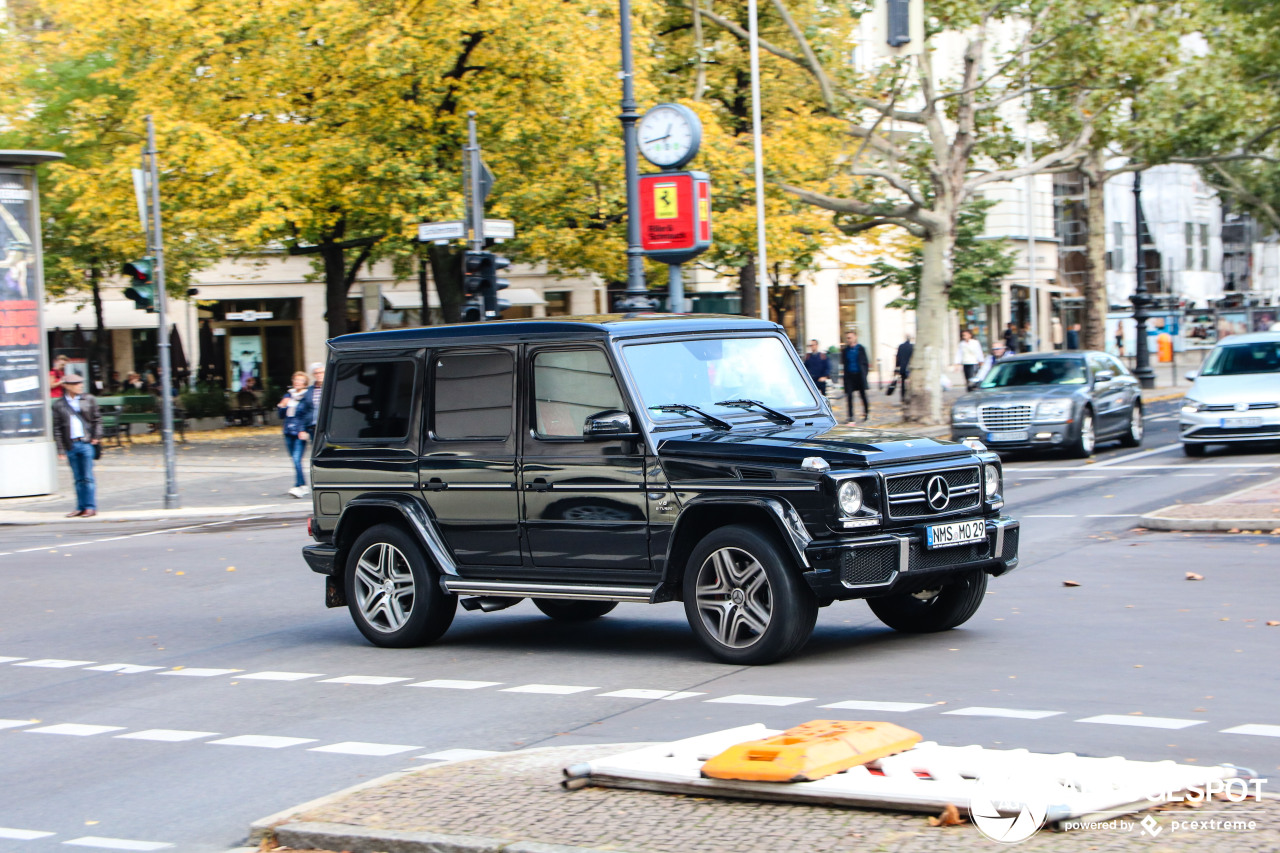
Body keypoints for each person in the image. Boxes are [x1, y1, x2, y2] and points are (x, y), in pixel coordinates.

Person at [51, 373, 101, 518]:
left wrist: (96, 437)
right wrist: (60, 448)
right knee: (78, 478)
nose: (80, 385)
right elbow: (58, 428)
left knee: (88, 476)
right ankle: (80, 507)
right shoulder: (59, 405)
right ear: (66, 386)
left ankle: (90, 507)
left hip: (86, 442)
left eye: (80, 383)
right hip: (71, 444)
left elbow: (97, 419)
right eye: (75, 383)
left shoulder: (89, 399)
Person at [278, 370, 315, 498]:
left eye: (300, 380)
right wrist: (282, 406)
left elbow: (306, 415)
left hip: (300, 432)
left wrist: (303, 429)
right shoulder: (288, 395)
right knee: (294, 460)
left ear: (305, 383)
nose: (297, 382)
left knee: (296, 459)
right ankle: (301, 485)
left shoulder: (307, 397)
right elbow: (281, 415)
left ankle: (299, 485)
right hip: (288, 431)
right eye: (296, 380)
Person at [840, 330, 870, 425]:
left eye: (850, 337)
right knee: (849, 396)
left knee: (863, 395)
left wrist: (864, 374)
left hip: (859, 375)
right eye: (847, 338)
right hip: (849, 376)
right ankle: (850, 416)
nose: (849, 340)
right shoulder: (845, 350)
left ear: (855, 337)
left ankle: (866, 413)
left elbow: (865, 362)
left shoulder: (861, 348)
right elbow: (844, 362)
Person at [893, 336, 914, 402]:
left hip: (902, 367)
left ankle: (902, 396)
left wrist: (896, 367)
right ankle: (909, 396)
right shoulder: (912, 346)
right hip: (909, 367)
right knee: (910, 382)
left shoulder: (901, 346)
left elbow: (898, 357)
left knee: (902, 382)